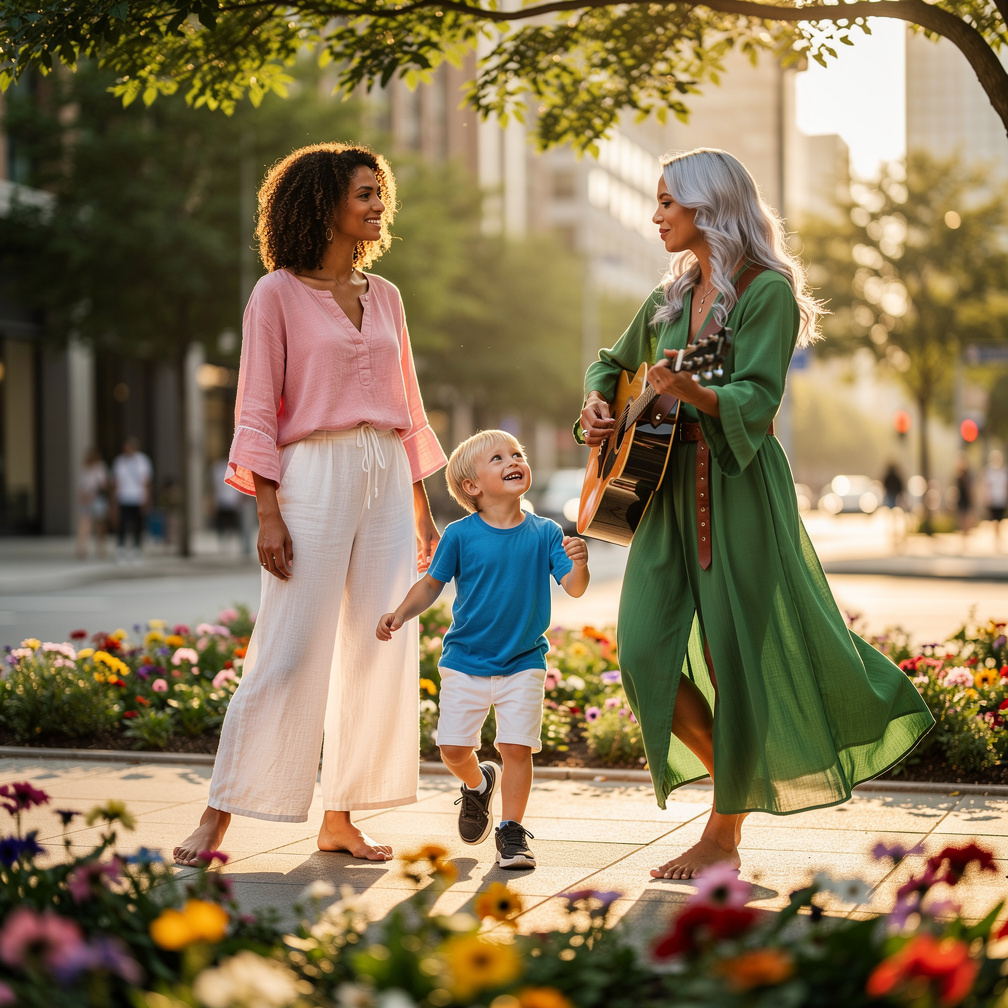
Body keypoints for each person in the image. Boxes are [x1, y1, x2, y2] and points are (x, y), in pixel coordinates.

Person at [577, 148, 933, 881]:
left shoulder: (765, 290)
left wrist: (695, 391)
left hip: (737, 489)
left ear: (707, 207)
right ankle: (744, 782)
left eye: (666, 204)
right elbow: (608, 364)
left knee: (732, 661)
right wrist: (599, 405)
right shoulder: (669, 298)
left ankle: (723, 834)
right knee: (643, 654)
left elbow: (759, 398)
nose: (655, 217)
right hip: (664, 492)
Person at [173, 141, 447, 866]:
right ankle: (219, 815)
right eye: (363, 193)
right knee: (288, 652)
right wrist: (267, 511)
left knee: (378, 646)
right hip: (311, 476)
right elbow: (257, 406)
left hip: (386, 475)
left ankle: (341, 817)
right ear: (322, 203)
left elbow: (406, 406)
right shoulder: (276, 294)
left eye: (377, 192)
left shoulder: (385, 296)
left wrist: (423, 509)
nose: (377, 205)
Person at [376, 430, 590, 869]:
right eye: (498, 457)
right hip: (465, 661)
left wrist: (581, 564)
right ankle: (477, 784)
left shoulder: (546, 532)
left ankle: (511, 833)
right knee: (453, 750)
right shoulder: (459, 535)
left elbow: (574, 587)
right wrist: (399, 613)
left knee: (517, 748)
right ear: (472, 487)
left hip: (523, 661)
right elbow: (431, 584)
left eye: (517, 453)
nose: (513, 459)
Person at [110, 437, 152, 562]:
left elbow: (146, 481)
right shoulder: (120, 461)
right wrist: (114, 501)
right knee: (122, 523)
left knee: (138, 524)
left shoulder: (142, 461)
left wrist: (147, 498)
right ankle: (121, 549)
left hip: (138, 497)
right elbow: (116, 482)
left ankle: (137, 549)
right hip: (123, 497)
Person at [75, 447, 109, 559]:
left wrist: (91, 495)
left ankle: (101, 547)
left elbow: (102, 485)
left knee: (99, 524)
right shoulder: (84, 469)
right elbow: (81, 485)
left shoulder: (100, 468)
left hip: (97, 499)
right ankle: (82, 548)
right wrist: (83, 496)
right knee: (84, 524)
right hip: (86, 499)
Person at [983, 449, 1007, 547]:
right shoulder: (989, 471)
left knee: (1000, 519)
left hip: (1001, 498)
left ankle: (999, 535)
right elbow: (986, 486)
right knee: (994, 519)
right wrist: (986, 497)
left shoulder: (1004, 471)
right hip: (993, 499)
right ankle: (996, 536)